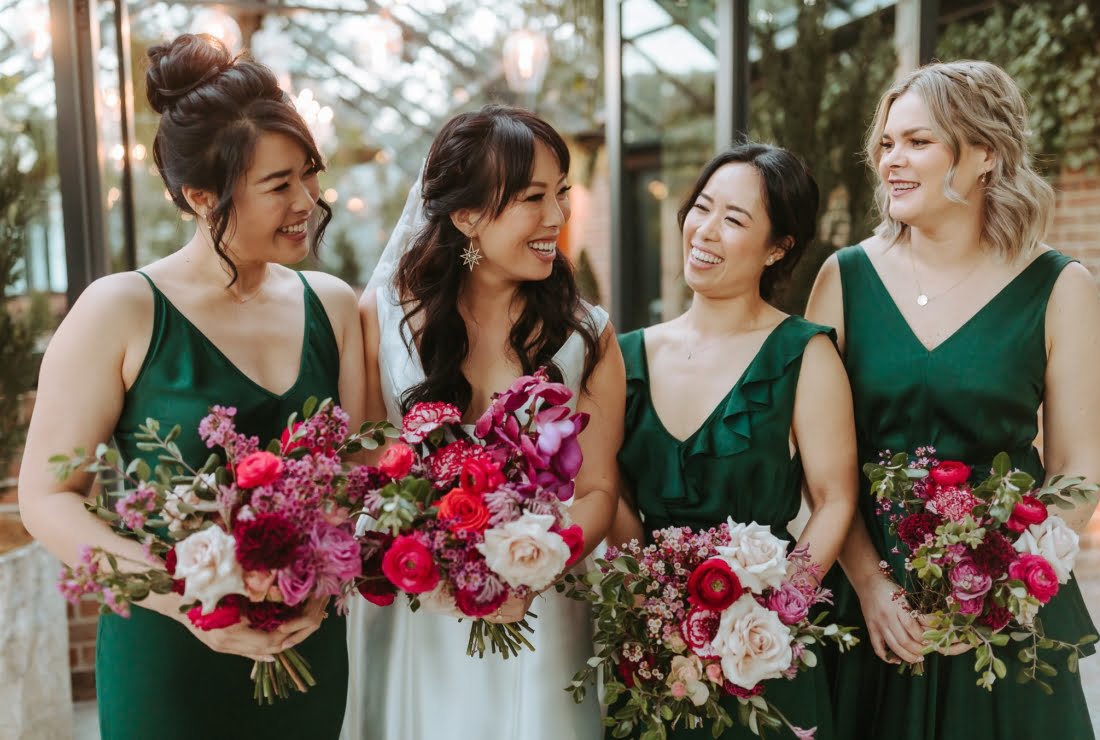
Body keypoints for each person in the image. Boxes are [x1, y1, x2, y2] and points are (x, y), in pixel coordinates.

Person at [17, 34, 365, 739]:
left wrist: (319, 576)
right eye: (278, 185)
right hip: (167, 657)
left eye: (309, 175)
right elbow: (46, 497)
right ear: (202, 197)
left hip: (306, 642)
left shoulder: (331, 305)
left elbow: (362, 469)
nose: (307, 201)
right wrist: (187, 599)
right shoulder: (120, 310)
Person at [805, 60, 1100, 740]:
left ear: (985, 155)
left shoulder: (1060, 287)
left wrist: (1004, 586)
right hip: (872, 601)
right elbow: (823, 466)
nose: (892, 160)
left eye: (919, 142)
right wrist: (871, 585)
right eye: (887, 143)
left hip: (1006, 602)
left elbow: (1079, 467)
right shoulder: (844, 279)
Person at [343, 105, 625, 740]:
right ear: (466, 215)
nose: (557, 216)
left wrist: (536, 563)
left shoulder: (588, 336)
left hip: (541, 607)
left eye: (561, 193)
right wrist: (435, 554)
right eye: (533, 198)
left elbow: (599, 490)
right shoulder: (380, 319)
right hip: (419, 610)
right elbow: (364, 468)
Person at [610, 142, 859, 739]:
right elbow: (612, 494)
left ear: (778, 248)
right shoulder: (625, 355)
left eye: (734, 219)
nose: (705, 230)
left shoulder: (804, 353)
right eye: (702, 207)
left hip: (763, 654)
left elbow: (835, 498)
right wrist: (651, 605)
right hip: (657, 653)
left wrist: (776, 613)